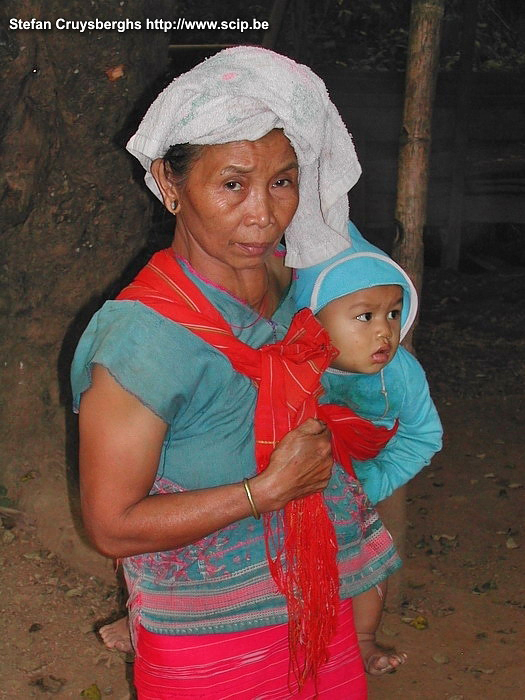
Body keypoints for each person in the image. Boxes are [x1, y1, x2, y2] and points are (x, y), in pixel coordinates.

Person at [71, 46, 403, 699]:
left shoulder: (295, 287)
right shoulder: (145, 340)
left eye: (281, 181)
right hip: (210, 638)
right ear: (170, 185)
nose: (263, 213)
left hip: (316, 598)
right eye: (232, 183)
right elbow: (110, 525)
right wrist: (262, 492)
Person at [294, 229, 443, 669]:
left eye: (393, 314)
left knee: (368, 563)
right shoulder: (289, 365)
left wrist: (374, 480)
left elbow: (424, 435)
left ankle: (362, 641)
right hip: (293, 488)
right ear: (313, 319)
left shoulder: (399, 374)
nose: (384, 330)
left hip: (359, 488)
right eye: (365, 316)